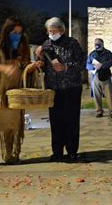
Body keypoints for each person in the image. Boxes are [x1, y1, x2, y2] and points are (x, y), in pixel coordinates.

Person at [0, 17, 41, 168]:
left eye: (19, 32)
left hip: (13, 93)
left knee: (12, 124)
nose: (17, 35)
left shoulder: (22, 44)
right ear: (7, 31)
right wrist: (4, 68)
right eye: (14, 32)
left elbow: (24, 65)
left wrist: (31, 67)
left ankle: (9, 153)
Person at [36, 17, 86, 162]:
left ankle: (71, 151)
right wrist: (39, 62)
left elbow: (82, 63)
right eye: (49, 31)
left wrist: (66, 66)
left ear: (62, 30)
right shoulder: (46, 45)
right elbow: (44, 65)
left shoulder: (72, 44)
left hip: (71, 88)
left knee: (71, 120)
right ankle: (57, 152)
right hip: (54, 89)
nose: (51, 34)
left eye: (54, 31)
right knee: (55, 121)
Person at [86, 38, 112, 118]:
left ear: (102, 44)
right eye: (95, 43)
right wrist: (94, 66)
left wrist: (102, 65)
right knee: (96, 95)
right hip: (95, 76)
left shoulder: (108, 53)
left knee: (108, 94)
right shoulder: (92, 54)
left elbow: (111, 61)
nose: (96, 44)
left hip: (106, 76)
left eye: (98, 43)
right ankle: (99, 111)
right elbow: (87, 65)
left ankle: (111, 111)